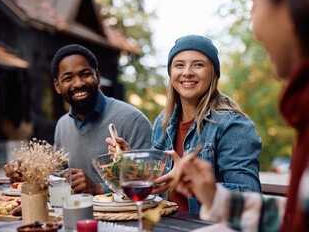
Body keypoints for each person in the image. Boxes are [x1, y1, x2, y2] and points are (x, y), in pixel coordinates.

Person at [175, 0, 309, 231]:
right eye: (179, 65)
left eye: (254, 6)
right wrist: (214, 197)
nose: (255, 30)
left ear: (289, 7)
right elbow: (300, 216)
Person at [107, 35, 262, 214]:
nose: (187, 72)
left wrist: (191, 178)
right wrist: (130, 162)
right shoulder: (162, 122)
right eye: (179, 65)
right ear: (171, 73)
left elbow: (248, 205)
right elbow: (158, 185)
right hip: (164, 223)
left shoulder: (233, 126)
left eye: (198, 64)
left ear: (213, 73)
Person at [4, 44, 153, 195]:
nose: (78, 83)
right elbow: (59, 179)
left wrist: (99, 188)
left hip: (127, 217)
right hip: (77, 215)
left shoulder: (133, 120)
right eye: (68, 78)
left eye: (85, 74)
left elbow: (151, 182)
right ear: (57, 86)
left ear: (98, 77)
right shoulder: (62, 125)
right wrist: (26, 173)